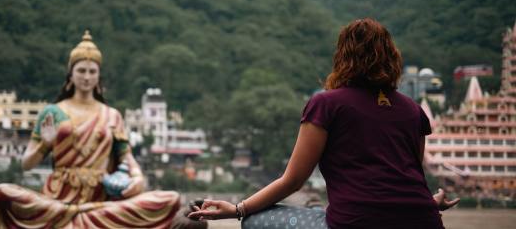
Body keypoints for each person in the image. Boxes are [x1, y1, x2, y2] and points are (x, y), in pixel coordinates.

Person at [189, 18, 459, 228]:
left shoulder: (327, 104)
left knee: (255, 221)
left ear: (343, 56)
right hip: (424, 219)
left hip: (356, 223)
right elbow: (408, 176)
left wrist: (238, 209)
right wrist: (428, 203)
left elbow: (293, 181)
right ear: (392, 56)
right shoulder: (414, 110)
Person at [0, 30, 205, 228]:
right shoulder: (53, 113)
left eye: (92, 71)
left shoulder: (111, 115)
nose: (86, 76)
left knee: (170, 199)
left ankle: (78, 218)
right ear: (70, 74)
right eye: (81, 70)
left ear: (98, 75)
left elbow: (126, 158)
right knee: (2, 193)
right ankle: (78, 216)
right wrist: (45, 143)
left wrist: (138, 178)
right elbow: (27, 164)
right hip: (57, 199)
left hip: (101, 200)